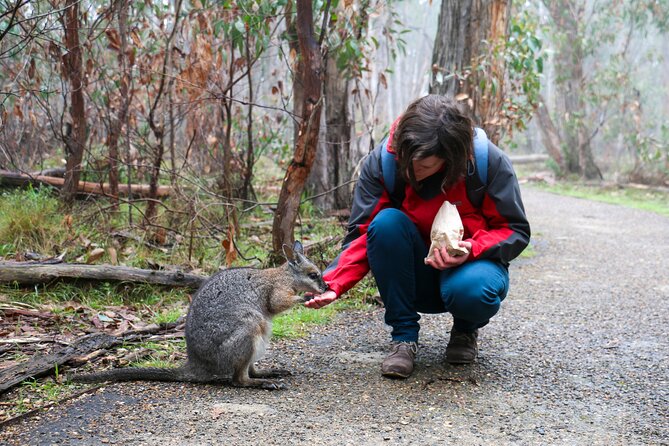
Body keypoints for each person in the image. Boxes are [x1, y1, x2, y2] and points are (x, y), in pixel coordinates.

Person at [305, 94, 530, 379]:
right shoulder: (384, 162)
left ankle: (465, 329)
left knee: (473, 291)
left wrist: (470, 248)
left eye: (423, 166)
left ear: (450, 158)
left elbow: (514, 230)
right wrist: (333, 282)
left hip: (469, 269)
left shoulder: (486, 163)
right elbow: (363, 233)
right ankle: (403, 338)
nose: (411, 171)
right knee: (385, 222)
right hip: (413, 275)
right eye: (406, 162)